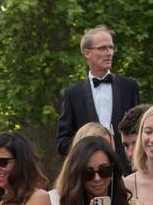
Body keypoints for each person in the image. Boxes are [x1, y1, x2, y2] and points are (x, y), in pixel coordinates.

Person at [56, 25, 141, 172]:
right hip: (88, 174)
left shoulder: (129, 86)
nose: (109, 53)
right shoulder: (72, 94)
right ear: (87, 53)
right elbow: (62, 142)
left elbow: (140, 129)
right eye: (103, 48)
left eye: (111, 48)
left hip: (127, 171)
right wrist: (86, 149)